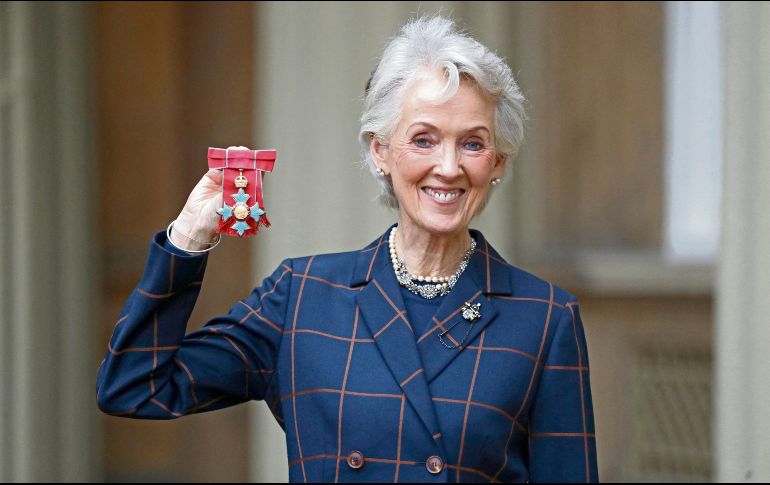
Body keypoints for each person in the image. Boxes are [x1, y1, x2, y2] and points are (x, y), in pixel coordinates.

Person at [97, 15, 598, 483]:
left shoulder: (544, 319)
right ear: (380, 151)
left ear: (498, 163)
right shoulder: (303, 297)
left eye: (472, 143)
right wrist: (187, 240)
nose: (448, 167)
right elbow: (135, 386)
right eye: (423, 139)